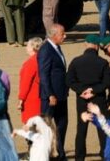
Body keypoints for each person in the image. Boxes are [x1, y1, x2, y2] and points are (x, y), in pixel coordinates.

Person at [67, 34, 110, 160]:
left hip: (82, 99)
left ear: (85, 44)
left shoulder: (76, 61)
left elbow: (69, 80)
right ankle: (105, 155)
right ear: (96, 46)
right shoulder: (103, 62)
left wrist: (82, 91)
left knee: (81, 130)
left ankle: (79, 157)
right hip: (98, 98)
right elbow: (107, 81)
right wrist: (94, 90)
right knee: (102, 129)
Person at [38, 24, 68, 161]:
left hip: (61, 94)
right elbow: (43, 75)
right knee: (47, 127)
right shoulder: (45, 50)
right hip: (50, 96)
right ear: (54, 35)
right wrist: (50, 94)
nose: (65, 36)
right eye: (63, 33)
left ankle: (60, 154)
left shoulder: (57, 47)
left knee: (62, 124)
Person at [18, 37, 43, 124]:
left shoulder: (30, 63)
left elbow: (25, 84)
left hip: (32, 99)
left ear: (33, 47)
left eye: (28, 45)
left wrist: (21, 99)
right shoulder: (43, 60)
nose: (26, 47)